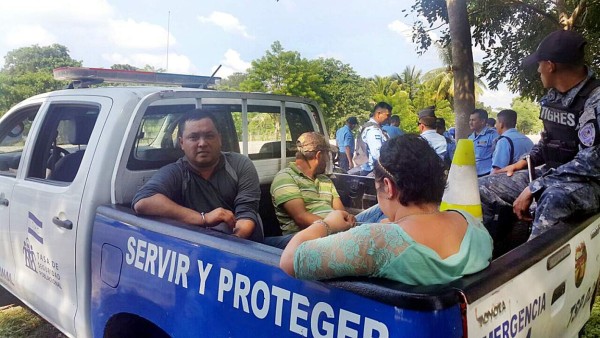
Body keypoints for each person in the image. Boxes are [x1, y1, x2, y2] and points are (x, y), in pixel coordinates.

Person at [280, 134, 493, 285]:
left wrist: (326, 224)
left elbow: (289, 261)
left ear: (388, 187)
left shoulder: (374, 241)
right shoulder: (475, 227)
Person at [479, 30, 600, 240]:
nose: (538, 70)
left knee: (553, 199)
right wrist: (527, 161)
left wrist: (535, 187)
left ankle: (533, 268)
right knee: (482, 186)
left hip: (588, 182)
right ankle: (489, 257)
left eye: (540, 64)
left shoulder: (594, 100)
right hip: (553, 174)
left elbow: (590, 163)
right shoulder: (553, 97)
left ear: (551, 65)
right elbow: (548, 141)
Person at [132, 110, 263, 241]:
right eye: (194, 137)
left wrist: (232, 243)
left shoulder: (239, 164)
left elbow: (246, 213)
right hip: (199, 253)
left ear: (220, 138)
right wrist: (204, 218)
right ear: (181, 143)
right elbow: (142, 201)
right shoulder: (176, 172)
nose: (202, 143)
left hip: (247, 246)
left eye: (209, 136)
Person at [268, 132, 348, 248]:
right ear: (319, 155)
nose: (327, 160)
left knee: (378, 212)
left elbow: (341, 212)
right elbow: (301, 218)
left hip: (336, 231)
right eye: (327, 155)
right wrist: (335, 227)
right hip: (304, 237)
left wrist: (345, 223)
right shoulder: (285, 178)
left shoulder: (325, 180)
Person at [353, 102, 391, 176]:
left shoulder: (372, 127)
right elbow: (377, 154)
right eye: (388, 115)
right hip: (372, 171)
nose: (389, 118)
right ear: (379, 114)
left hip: (370, 169)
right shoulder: (373, 130)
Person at [490, 109, 534, 174]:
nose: (495, 126)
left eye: (496, 123)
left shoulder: (503, 141)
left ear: (501, 124)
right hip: (530, 181)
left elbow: (496, 171)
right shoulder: (527, 140)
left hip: (511, 181)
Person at [468, 108, 499, 176]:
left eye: (473, 120)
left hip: (487, 174)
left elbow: (497, 156)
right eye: (470, 120)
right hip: (472, 174)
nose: (470, 122)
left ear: (482, 121)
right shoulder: (470, 137)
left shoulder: (493, 135)